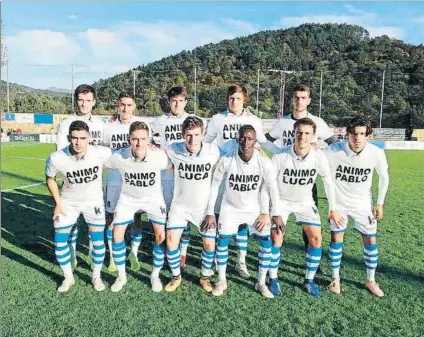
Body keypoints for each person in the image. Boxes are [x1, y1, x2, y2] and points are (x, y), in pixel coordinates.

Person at [203, 84, 279, 279]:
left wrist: (285, 150)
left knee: (243, 222)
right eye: (230, 98)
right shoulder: (217, 119)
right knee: (221, 216)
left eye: (237, 98)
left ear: (244, 99)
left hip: (245, 170)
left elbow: (263, 142)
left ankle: (241, 261)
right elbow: (206, 143)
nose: (233, 101)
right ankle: (216, 258)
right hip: (225, 171)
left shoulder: (253, 120)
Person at [265, 117, 342, 298]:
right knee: (276, 238)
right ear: (293, 133)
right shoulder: (281, 155)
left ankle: (309, 280)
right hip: (282, 201)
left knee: (316, 239)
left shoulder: (318, 156)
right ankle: (273, 278)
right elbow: (269, 184)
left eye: (307, 133)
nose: (302, 136)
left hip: (305, 202)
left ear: (314, 136)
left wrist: (333, 209)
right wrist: (274, 211)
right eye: (299, 132)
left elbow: (328, 182)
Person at [265, 84, 338, 264]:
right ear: (292, 99)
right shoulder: (283, 122)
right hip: (284, 177)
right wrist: (280, 152)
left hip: (305, 179)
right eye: (296, 97)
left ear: (309, 100)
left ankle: (311, 259)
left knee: (309, 225)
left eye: (303, 98)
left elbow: (334, 142)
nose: (299, 101)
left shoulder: (317, 122)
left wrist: (318, 149)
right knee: (279, 223)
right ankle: (275, 259)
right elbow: (267, 140)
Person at [325, 116, 389, 297]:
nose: (357, 138)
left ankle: (371, 280)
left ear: (368, 135)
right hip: (339, 204)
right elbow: (321, 170)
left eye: (362, 134)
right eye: (354, 133)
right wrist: (332, 207)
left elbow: (384, 177)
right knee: (337, 239)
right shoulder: (333, 151)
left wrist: (380, 203)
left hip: (362, 204)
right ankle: (335, 279)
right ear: (347, 134)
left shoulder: (376, 153)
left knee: (370, 240)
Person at [45, 120, 112, 292]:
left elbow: (125, 156)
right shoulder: (56, 158)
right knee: (60, 242)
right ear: (69, 138)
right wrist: (58, 203)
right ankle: (68, 278)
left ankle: (96, 276)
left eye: (83, 138)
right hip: (68, 203)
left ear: (89, 138)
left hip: (94, 203)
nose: (78, 142)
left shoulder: (101, 152)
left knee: (98, 242)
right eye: (74, 138)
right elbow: (50, 178)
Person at [106, 121, 172, 292]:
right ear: (129, 139)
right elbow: (98, 161)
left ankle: (155, 275)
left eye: (143, 139)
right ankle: (121, 276)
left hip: (153, 198)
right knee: (117, 233)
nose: (138, 143)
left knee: (160, 235)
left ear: (149, 139)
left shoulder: (159, 156)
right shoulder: (119, 156)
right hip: (128, 199)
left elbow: (174, 167)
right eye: (135, 139)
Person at [163, 116, 220, 293]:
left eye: (196, 135)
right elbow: (160, 158)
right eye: (188, 135)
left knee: (209, 245)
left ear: (203, 134)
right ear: (183, 134)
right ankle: (175, 276)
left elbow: (233, 156)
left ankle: (204, 277)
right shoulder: (173, 149)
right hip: (179, 207)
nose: (192, 139)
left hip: (203, 209)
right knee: (171, 241)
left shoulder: (213, 151)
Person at [56, 84, 105, 268]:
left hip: (95, 186)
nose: (84, 104)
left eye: (88, 100)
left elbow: (106, 150)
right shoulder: (66, 124)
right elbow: (60, 154)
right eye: (80, 100)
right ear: (76, 100)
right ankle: (73, 253)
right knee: (72, 222)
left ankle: (94, 257)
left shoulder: (101, 125)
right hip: (72, 186)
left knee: (96, 225)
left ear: (94, 102)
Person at [102, 91, 152, 273]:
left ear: (134, 106)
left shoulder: (142, 126)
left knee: (136, 219)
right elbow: (103, 150)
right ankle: (114, 258)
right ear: (117, 104)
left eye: (129, 105)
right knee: (111, 219)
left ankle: (134, 254)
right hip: (114, 180)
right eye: (122, 104)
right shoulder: (107, 126)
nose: (125, 108)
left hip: (134, 181)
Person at [150, 86, 196, 268]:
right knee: (166, 214)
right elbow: (150, 142)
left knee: (184, 215)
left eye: (180, 101)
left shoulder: (193, 121)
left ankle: (182, 253)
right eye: (173, 101)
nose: (177, 104)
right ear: (169, 102)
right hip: (165, 177)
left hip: (186, 177)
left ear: (186, 102)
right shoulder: (159, 122)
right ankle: (166, 249)